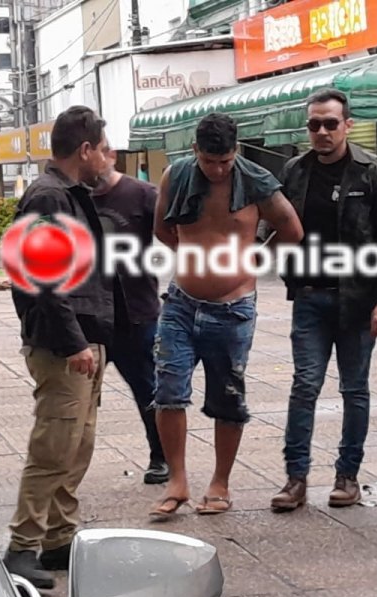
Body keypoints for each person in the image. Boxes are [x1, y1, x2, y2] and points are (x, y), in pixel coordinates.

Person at [148, 112, 304, 520]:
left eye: (225, 161)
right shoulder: (176, 176)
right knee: (168, 390)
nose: (217, 170)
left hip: (233, 307)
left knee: (227, 398)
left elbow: (292, 229)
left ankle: (220, 483)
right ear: (195, 150)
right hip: (181, 302)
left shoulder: (256, 181)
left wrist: (253, 259)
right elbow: (162, 228)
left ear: (236, 152)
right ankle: (177, 481)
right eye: (209, 161)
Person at [269, 88, 377, 511]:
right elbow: (275, 223)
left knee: (354, 389)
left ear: (347, 124)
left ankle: (347, 476)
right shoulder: (294, 171)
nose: (322, 132)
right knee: (304, 386)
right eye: (314, 124)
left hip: (358, 300)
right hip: (310, 297)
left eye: (330, 123)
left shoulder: (373, 171)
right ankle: (295, 479)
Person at [2, 106, 113, 589]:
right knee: (53, 447)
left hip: (84, 339)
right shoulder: (48, 196)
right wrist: (73, 343)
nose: (107, 158)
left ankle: (58, 539)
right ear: (85, 150)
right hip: (63, 345)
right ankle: (22, 547)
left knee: (76, 446)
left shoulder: (69, 194)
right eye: (103, 149)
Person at [92, 148, 169, 484]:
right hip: (90, 317)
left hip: (137, 313)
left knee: (149, 390)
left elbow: (176, 236)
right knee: (77, 399)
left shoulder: (142, 194)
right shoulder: (70, 198)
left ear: (108, 154)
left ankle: (162, 457)